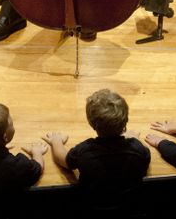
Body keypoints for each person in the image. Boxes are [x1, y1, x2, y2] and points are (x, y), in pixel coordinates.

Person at [43, 88, 151, 217]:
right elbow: (145, 155)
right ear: (125, 120)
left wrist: (56, 141)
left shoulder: (85, 151)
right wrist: (134, 138)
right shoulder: (136, 149)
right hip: (129, 210)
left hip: (92, 212)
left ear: (91, 123)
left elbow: (63, 160)